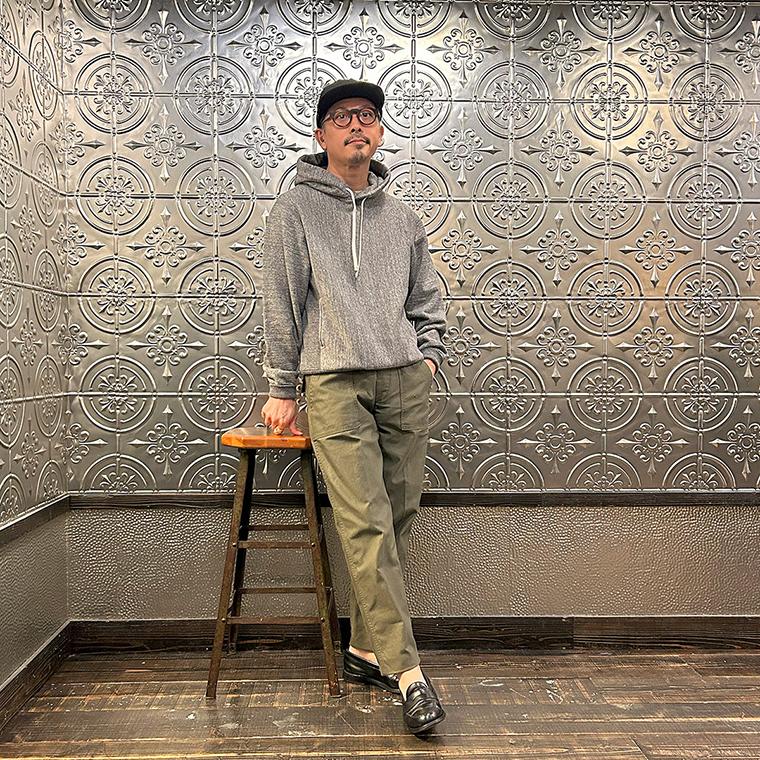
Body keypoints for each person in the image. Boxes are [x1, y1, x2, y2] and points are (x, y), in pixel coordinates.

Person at [259, 78, 447, 735]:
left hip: (403, 381)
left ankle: (367, 650)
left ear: (381, 131)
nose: (356, 125)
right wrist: (282, 387)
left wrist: (427, 358)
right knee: (365, 523)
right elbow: (281, 299)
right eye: (341, 117)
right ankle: (409, 674)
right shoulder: (295, 208)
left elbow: (426, 297)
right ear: (320, 135)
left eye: (367, 115)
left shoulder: (403, 217)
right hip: (334, 382)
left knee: (398, 514)